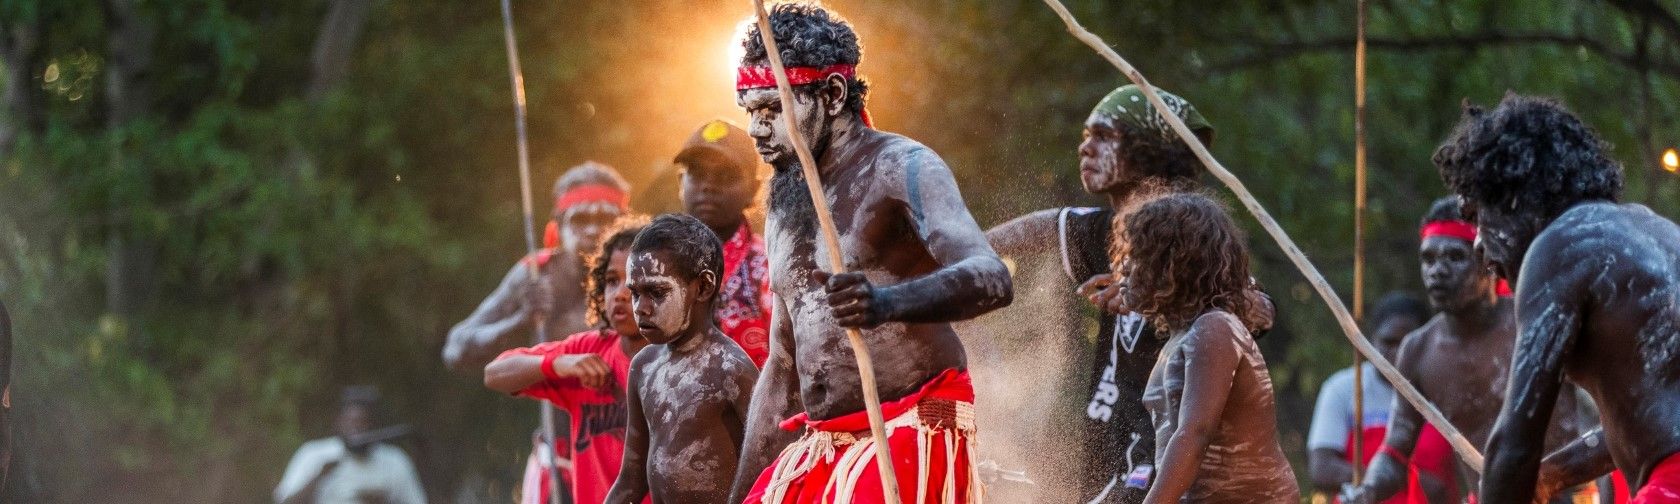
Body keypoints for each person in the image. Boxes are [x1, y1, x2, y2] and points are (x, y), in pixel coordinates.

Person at [727, 4, 1014, 503]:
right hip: (825, 443)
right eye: (750, 111)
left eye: (773, 109)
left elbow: (991, 277)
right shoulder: (784, 199)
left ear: (833, 95)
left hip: (908, 426)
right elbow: (781, 364)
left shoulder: (901, 166)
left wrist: (886, 303)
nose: (755, 129)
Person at [1432, 94, 1680, 503]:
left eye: (1476, 216)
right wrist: (1550, 474)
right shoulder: (1658, 230)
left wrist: (1513, 476)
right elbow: (1649, 418)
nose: (1478, 242)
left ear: (1512, 197)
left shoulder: (1559, 247)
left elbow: (1514, 445)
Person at [986, 83, 1219, 504]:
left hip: (1158, 464)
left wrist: (1158, 294)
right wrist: (951, 256)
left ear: (1152, 151)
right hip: (1110, 456)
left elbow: (1251, 309)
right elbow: (1039, 228)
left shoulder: (1195, 238)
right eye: (1084, 136)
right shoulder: (1108, 230)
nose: (1085, 148)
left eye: (1104, 136)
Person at [1339, 196, 1593, 503]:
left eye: (1454, 257)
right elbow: (1394, 454)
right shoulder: (1418, 351)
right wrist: (1366, 492)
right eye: (1428, 259)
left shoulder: (1537, 322)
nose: (1437, 271)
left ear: (1487, 260)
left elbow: (1604, 421)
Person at [1119, 192, 1297, 503]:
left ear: (1171, 265)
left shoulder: (1214, 327)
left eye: (1135, 255)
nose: (1123, 266)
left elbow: (1194, 435)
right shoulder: (1182, 337)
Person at [483, 219, 652, 504]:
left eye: (635, 281)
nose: (621, 293)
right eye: (611, 280)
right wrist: (558, 365)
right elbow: (494, 373)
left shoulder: (682, 359)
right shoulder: (589, 348)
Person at [604, 214, 758, 503]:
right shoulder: (644, 366)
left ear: (702, 287)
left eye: (656, 292)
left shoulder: (729, 368)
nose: (641, 308)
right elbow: (631, 479)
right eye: (635, 293)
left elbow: (769, 466)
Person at [445, 161, 631, 372]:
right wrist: (520, 321)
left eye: (605, 219)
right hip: (555, 402)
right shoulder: (537, 273)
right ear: (559, 225)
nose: (592, 230)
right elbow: (455, 348)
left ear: (625, 223)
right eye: (580, 219)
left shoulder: (644, 271)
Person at [1306, 293, 1456, 503]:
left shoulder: (1448, 388)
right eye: (1388, 342)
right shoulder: (1341, 389)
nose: (1397, 353)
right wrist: (1395, 479)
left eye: (1406, 343)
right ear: (1371, 340)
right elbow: (1321, 469)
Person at [673, 119, 773, 367]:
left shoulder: (770, 267)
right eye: (697, 174)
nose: (708, 185)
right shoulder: (657, 263)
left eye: (726, 175)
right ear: (680, 183)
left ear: (754, 189)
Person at [274, 386, 426, 504]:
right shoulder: (313, 453)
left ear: (374, 425)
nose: (357, 429)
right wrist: (319, 476)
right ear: (338, 423)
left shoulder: (395, 460)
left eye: (363, 423)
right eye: (351, 423)